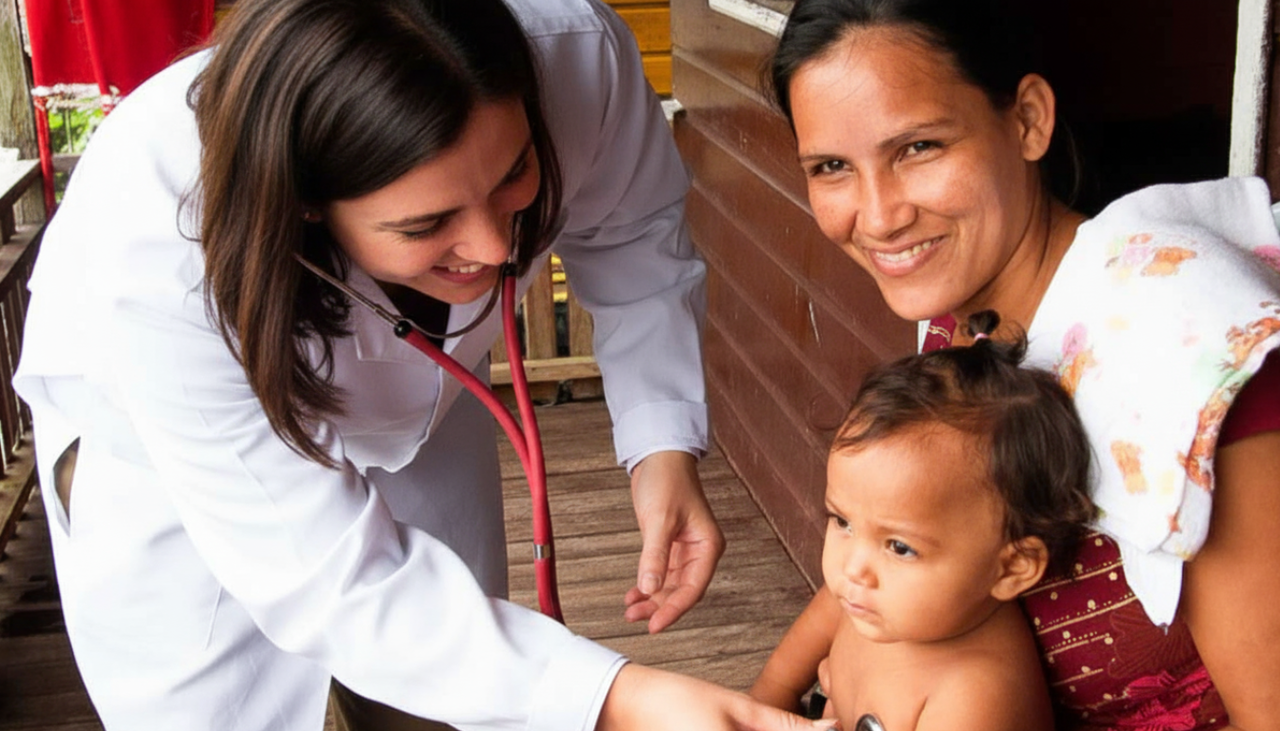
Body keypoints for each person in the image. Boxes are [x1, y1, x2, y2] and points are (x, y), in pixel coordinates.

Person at [10, 0, 835, 729]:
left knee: (453, 685)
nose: (497, 248)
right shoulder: (162, 237)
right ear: (304, 199)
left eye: (514, 173)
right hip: (166, 461)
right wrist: (613, 698)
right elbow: (323, 580)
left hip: (422, 409)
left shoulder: (577, 59)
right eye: (427, 223)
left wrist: (662, 444)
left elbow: (630, 234)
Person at [765, 1, 1280, 728]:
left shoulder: (1196, 357)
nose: (878, 216)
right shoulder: (966, 323)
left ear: (1029, 119)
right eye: (832, 167)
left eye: (918, 148)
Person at [749, 310, 1095, 731]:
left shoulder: (976, 696)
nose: (852, 567)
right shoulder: (865, 597)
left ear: (1011, 567)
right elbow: (777, 683)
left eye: (899, 547)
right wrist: (759, 712)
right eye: (842, 522)